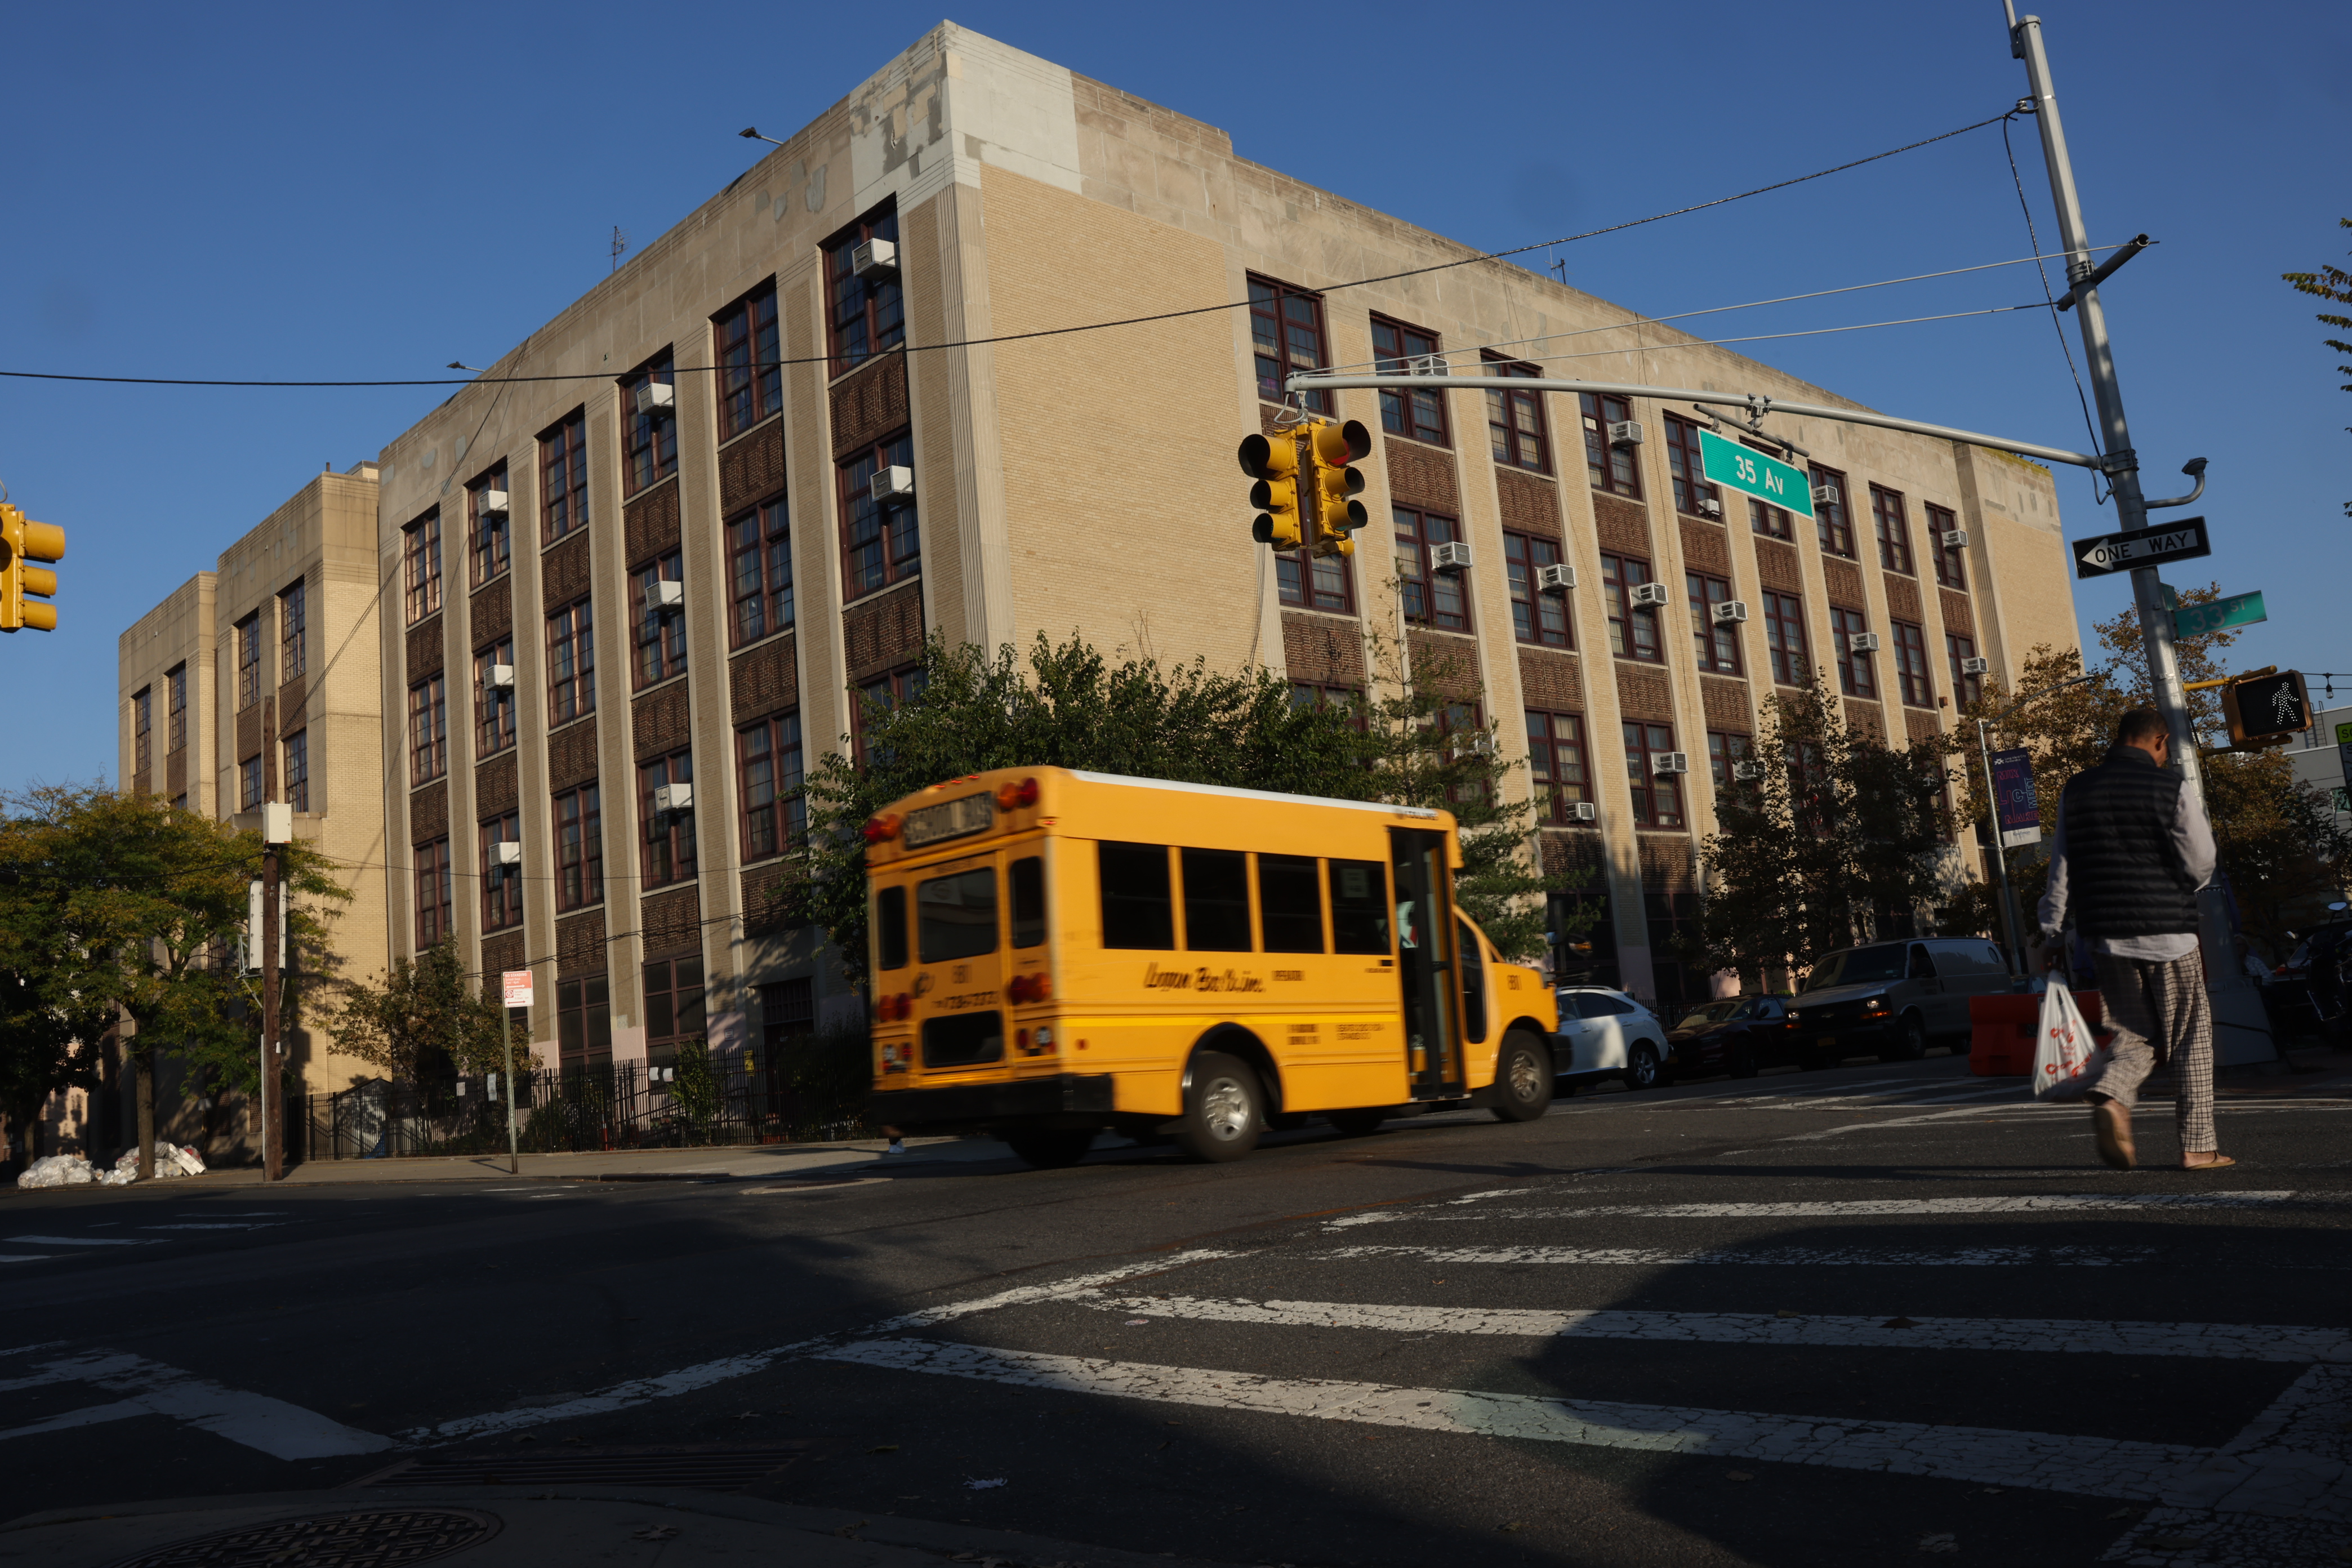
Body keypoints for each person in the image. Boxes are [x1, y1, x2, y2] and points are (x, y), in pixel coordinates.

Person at [2035, 707, 2230, 1171]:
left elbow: (2061, 866)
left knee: (2132, 1032)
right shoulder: (2170, 787)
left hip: (2106, 936)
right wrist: (2180, 888)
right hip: (2170, 935)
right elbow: (2202, 861)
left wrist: (2052, 930)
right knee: (2190, 1038)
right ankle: (2198, 1147)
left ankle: (2113, 1097)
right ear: (2159, 741)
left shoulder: (2076, 789)